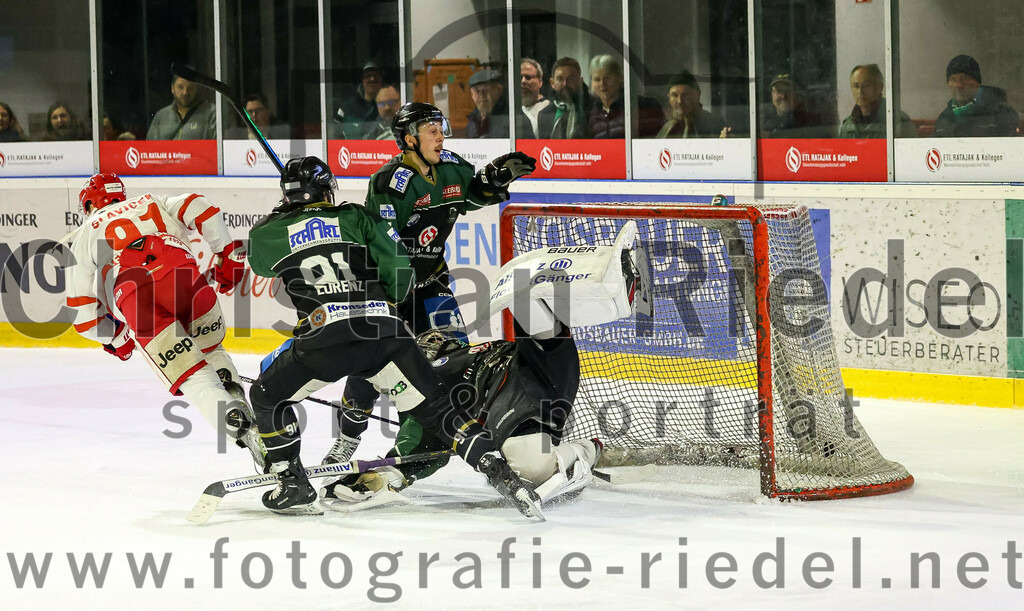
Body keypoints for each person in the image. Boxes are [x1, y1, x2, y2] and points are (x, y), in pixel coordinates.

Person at [246, 156, 541, 519]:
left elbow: (258, 260)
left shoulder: (269, 233)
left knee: (265, 396)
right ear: (328, 190)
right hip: (385, 334)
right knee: (439, 409)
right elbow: (400, 273)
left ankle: (292, 484)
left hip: (325, 342)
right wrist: (379, 303)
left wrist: (285, 216)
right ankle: (500, 472)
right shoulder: (356, 217)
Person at [324, 222, 646, 506]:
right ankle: (588, 450)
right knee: (530, 466)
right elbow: (408, 461)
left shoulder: (456, 349)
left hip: (536, 367)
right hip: (524, 415)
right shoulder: (421, 411)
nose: (427, 344)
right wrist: (376, 478)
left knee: (523, 291)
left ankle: (615, 280)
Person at [329, 102, 535, 469]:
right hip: (387, 288)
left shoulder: (452, 166)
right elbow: (384, 244)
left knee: (453, 357)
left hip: (432, 281)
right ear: (409, 139)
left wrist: (494, 179)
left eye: (441, 127)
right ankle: (346, 439)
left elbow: (470, 197)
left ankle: (425, 441)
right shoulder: (389, 183)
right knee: (370, 365)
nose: (440, 135)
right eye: (431, 130)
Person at [64, 173, 263, 469]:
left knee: (196, 378)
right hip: (186, 276)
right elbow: (200, 204)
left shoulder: (85, 232)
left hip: (137, 294)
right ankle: (254, 421)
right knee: (212, 351)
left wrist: (117, 338)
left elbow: (82, 315)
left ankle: (249, 436)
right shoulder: (151, 201)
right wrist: (227, 254)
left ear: (89, 204)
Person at [934, 54, 1019, 138]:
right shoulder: (943, 120)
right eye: (953, 79)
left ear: (977, 82)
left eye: (964, 79)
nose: (958, 85)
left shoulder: (1001, 113)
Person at [587, 55, 663, 139]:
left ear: (621, 78)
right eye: (597, 79)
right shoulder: (588, 111)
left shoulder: (643, 106)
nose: (602, 84)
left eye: (608, 78)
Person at [838, 64, 916, 139]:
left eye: (866, 86)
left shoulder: (898, 122)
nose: (860, 91)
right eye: (856, 86)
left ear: (879, 88)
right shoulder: (848, 126)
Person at [655, 70, 730, 138]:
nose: (680, 101)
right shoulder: (666, 128)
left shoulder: (715, 123)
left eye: (686, 95)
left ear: (697, 95)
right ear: (669, 97)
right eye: (674, 95)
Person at [146, 75, 217, 140]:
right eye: (180, 87)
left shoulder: (212, 113)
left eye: (190, 88)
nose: (185, 92)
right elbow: (150, 149)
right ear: (172, 88)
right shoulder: (161, 116)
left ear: (197, 89)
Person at [760, 74, 830, 138]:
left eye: (788, 90)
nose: (783, 96)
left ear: (798, 95)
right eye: (779, 91)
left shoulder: (812, 122)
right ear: (772, 94)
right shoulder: (762, 123)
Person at [335, 61, 385, 135]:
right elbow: (334, 134)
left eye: (376, 76)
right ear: (363, 81)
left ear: (381, 80)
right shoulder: (347, 106)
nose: (372, 79)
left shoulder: (389, 105)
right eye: (368, 76)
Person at [549, 57, 591, 139]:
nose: (565, 84)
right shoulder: (544, 114)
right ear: (552, 83)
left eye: (571, 79)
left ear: (580, 81)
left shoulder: (593, 108)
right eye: (560, 79)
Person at [464, 69, 510, 138]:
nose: (482, 95)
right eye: (477, 91)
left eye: (487, 90)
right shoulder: (472, 120)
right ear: (472, 94)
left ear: (499, 91)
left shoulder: (513, 118)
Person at [518, 58, 555, 139]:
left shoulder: (550, 110)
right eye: (520, 77)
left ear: (540, 82)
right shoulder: (511, 110)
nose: (523, 81)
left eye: (528, 77)